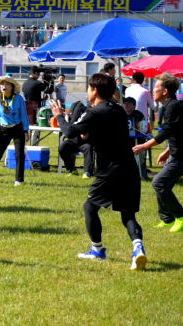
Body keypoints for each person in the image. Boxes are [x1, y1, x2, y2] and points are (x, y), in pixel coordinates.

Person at [51, 73, 146, 271]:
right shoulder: (119, 110)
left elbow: (69, 133)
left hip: (110, 169)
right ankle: (138, 248)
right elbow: (103, 133)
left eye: (88, 87)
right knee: (127, 215)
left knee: (90, 208)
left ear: (94, 90)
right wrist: (89, 134)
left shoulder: (95, 112)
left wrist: (59, 115)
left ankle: (98, 250)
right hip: (129, 167)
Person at [133, 73, 183, 233]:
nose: (153, 90)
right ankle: (167, 219)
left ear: (165, 91)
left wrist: (145, 146)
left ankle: (180, 216)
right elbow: (177, 132)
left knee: (159, 183)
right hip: (176, 152)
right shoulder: (170, 106)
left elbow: (166, 132)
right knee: (163, 183)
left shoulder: (173, 106)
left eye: (156, 87)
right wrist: (168, 151)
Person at [58, 99, 94, 178]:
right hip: (74, 140)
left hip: (86, 142)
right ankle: (71, 169)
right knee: (62, 147)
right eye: (89, 103)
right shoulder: (78, 114)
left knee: (88, 147)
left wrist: (88, 132)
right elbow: (72, 128)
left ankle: (87, 172)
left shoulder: (93, 114)